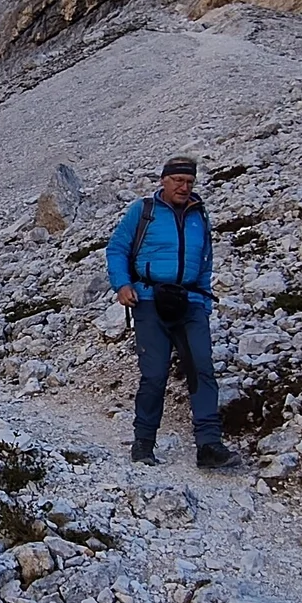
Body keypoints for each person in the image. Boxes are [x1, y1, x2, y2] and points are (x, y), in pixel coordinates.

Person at [105, 155, 238, 469]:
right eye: (178, 180)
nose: (184, 186)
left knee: (202, 368)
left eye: (190, 181)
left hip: (190, 302)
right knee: (155, 375)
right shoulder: (144, 211)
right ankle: (144, 443)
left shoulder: (199, 215)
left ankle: (209, 446)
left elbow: (205, 262)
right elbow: (117, 248)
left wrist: (204, 301)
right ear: (163, 181)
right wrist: (123, 285)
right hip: (149, 300)